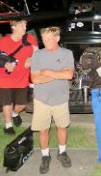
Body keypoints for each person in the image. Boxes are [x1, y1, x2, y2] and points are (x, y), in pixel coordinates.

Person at [31, 27, 75, 174]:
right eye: (44, 39)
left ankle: (62, 152)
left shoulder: (67, 53)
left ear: (57, 38)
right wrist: (58, 73)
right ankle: (45, 156)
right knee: (43, 130)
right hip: (42, 99)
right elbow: (35, 78)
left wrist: (47, 72)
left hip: (60, 98)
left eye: (49, 39)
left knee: (62, 127)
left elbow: (69, 75)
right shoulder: (37, 55)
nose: (46, 42)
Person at [0, 18, 38, 135]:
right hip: (5, 79)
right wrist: (5, 64)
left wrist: (32, 58)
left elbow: (38, 54)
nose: (25, 27)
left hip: (22, 79)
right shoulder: (2, 41)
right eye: (22, 25)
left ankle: (15, 113)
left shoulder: (30, 38)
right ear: (13, 27)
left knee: (22, 105)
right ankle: (8, 125)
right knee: (6, 103)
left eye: (25, 24)